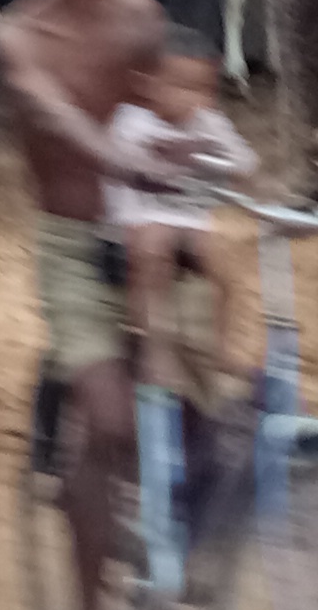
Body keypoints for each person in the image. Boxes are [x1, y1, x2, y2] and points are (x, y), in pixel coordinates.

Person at [0, 0, 169, 610]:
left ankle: (173, 585)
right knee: (108, 424)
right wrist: (108, 156)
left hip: (150, 238)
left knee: (204, 407)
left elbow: (177, 107)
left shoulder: (144, 22)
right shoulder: (18, 37)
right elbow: (47, 108)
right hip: (72, 248)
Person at [108, 45, 261, 402]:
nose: (194, 99)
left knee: (223, 267)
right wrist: (159, 161)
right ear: (149, 84)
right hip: (141, 213)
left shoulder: (209, 122)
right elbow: (119, 163)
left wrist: (221, 160)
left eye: (204, 89)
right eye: (182, 87)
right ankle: (153, 347)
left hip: (191, 218)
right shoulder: (132, 122)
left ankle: (222, 348)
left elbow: (246, 163)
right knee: (153, 252)